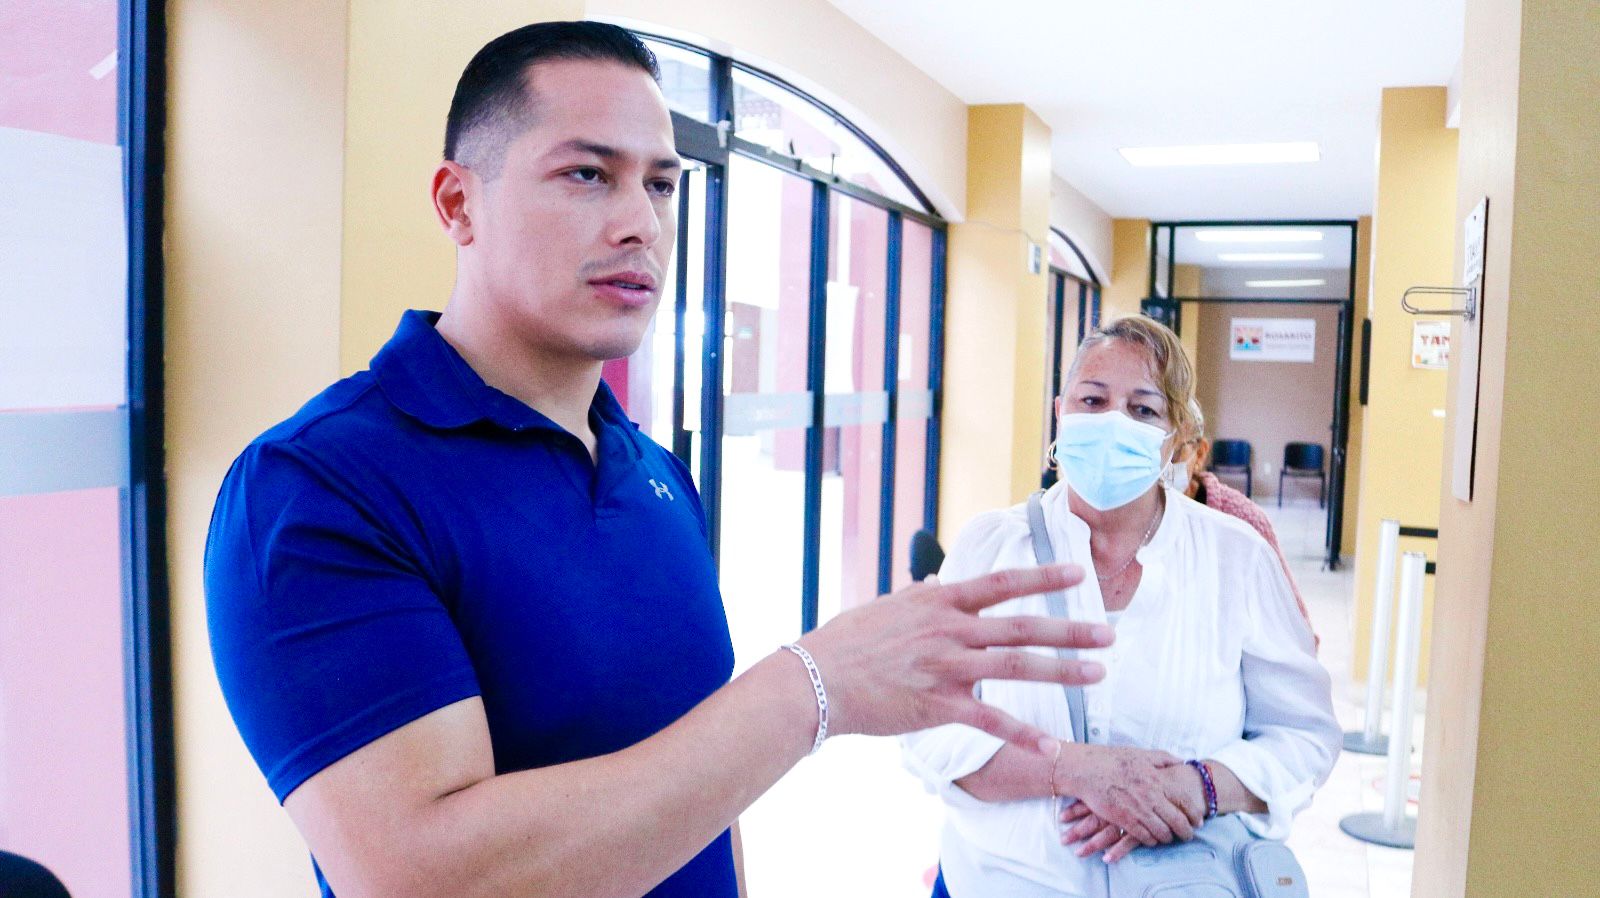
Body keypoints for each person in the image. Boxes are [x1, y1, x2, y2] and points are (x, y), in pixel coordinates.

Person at [203, 22, 1114, 898]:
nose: (642, 222)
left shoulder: (655, 473)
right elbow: (430, 881)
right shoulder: (319, 488)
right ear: (457, 203)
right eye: (587, 174)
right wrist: (814, 687)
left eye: (663, 185)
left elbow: (702, 796)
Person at [901, 316, 1340, 898]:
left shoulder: (1237, 556)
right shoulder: (992, 546)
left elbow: (1303, 736)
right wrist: (1071, 770)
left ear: (1176, 435)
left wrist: (1200, 786)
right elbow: (926, 723)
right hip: (1000, 881)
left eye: (1142, 409)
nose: (1113, 422)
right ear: (1061, 412)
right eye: (1093, 400)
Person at [1163, 418, 1317, 647]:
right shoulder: (1121, 518)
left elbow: (1293, 625)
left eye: (1173, 453)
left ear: (1200, 453)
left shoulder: (1243, 521)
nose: (1160, 465)